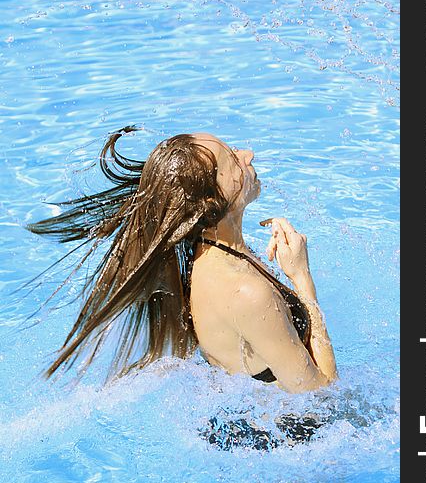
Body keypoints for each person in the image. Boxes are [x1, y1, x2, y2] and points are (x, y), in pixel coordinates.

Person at [25, 126, 337, 392]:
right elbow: (321, 396)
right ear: (213, 200)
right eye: (234, 159)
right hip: (289, 444)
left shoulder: (208, 254)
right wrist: (301, 277)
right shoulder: (246, 292)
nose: (249, 154)